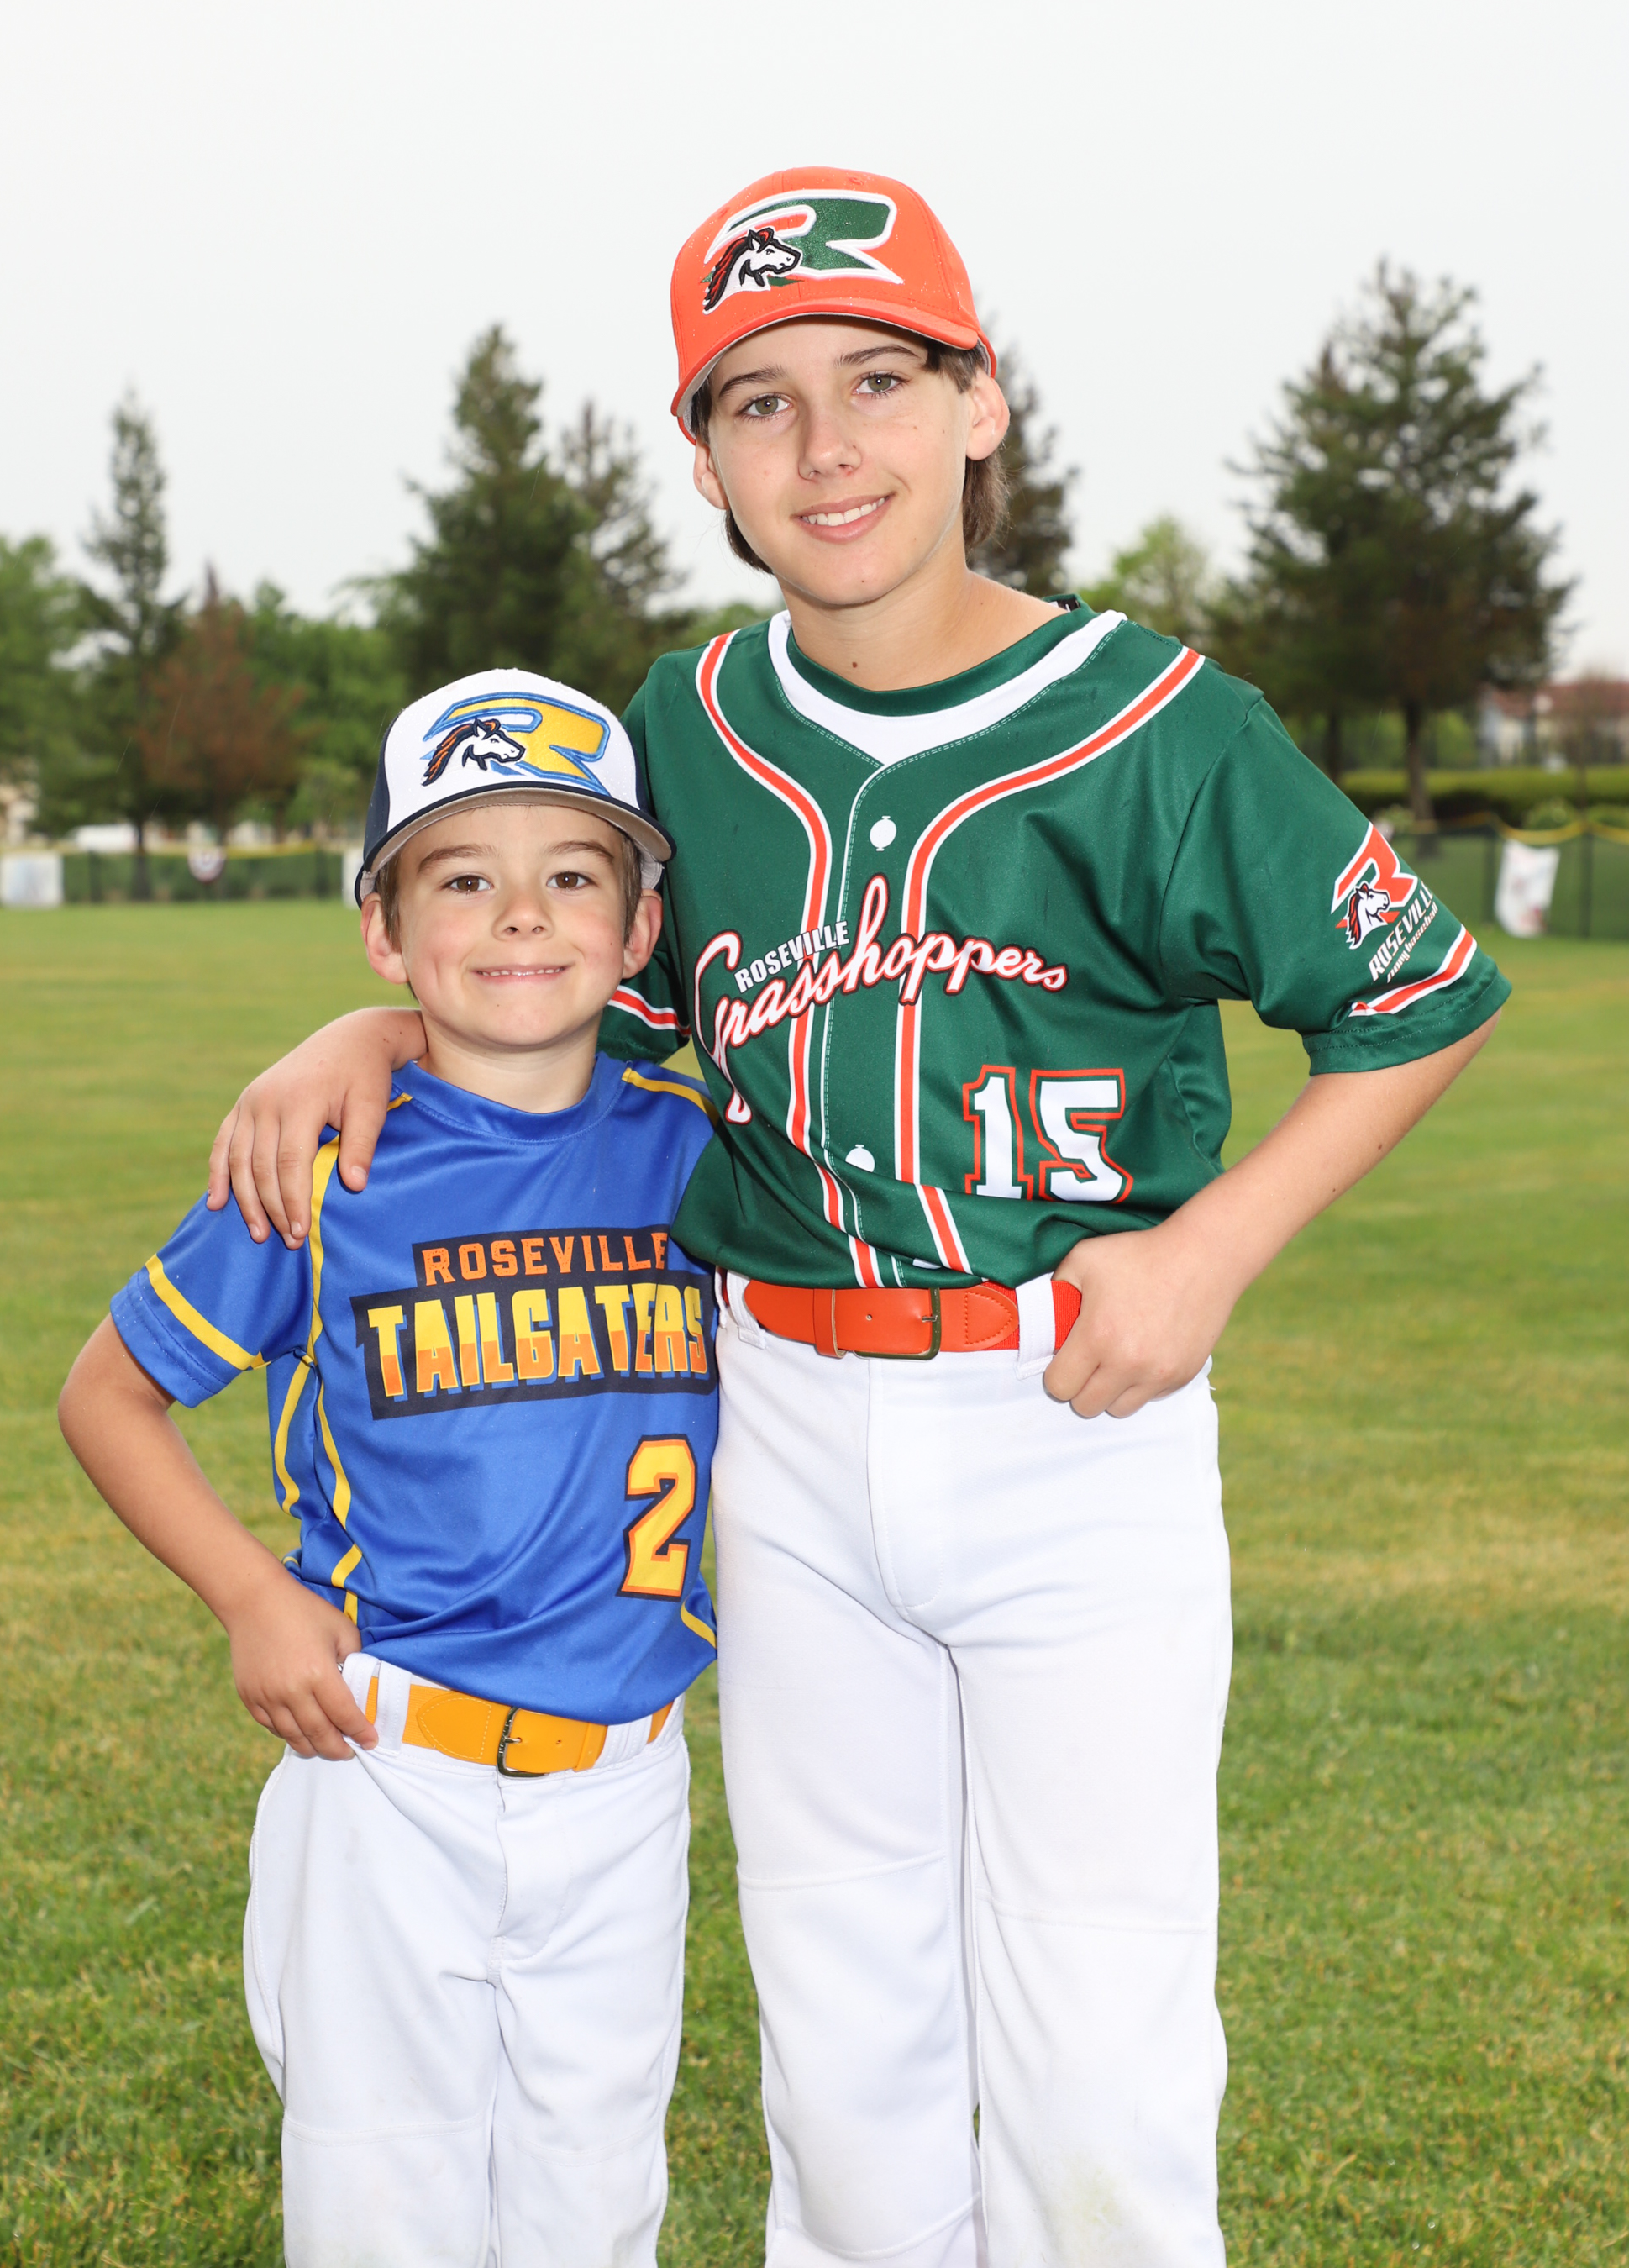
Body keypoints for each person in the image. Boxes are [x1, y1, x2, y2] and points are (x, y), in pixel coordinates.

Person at [208, 171, 1509, 2266]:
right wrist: (372, 1021)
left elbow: (1415, 995)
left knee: (1094, 2031)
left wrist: (1209, 1246)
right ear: (701, 454)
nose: (825, 448)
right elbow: (563, 972)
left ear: (980, 403)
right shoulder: (685, 732)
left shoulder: (1163, 723)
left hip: (1066, 1409)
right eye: (761, 402)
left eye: (879, 381)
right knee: (838, 2027)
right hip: (787, 1418)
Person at [60, 671, 721, 2268]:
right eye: (461, 877)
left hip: (627, 1778)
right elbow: (108, 1396)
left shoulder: (698, 1153)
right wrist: (249, 1596)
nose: (521, 915)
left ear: (641, 928)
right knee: (382, 2207)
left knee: (593, 2204)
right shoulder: (324, 1162)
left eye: (574, 875)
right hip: (387, 1769)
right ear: (383, 927)